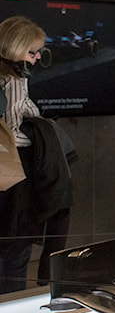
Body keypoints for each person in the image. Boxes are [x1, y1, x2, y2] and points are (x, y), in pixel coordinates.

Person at [0, 16, 71, 292]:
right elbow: (13, 131)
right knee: (14, 258)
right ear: (14, 48)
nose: (37, 57)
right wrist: (40, 133)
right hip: (14, 182)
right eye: (32, 52)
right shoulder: (15, 80)